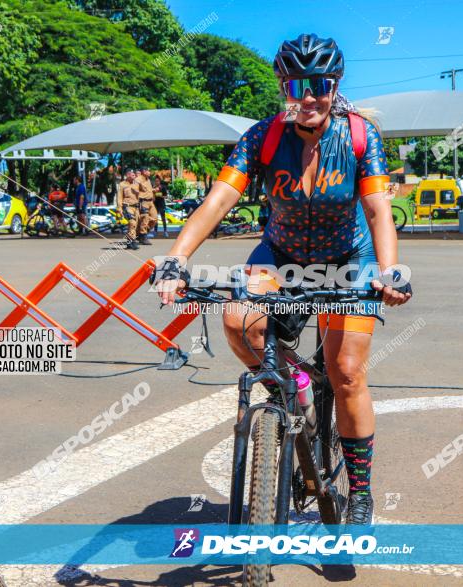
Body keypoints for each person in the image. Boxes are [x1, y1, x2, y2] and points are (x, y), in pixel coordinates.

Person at [151, 34, 412, 525]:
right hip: (281, 254)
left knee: (349, 373)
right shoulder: (263, 137)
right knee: (236, 319)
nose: (308, 96)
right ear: (283, 86)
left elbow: (378, 210)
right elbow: (218, 201)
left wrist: (389, 269)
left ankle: (359, 494)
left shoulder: (360, 136)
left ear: (335, 86)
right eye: (297, 85)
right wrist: (176, 259)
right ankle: (296, 383)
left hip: (347, 258)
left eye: (321, 84)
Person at [117, 170, 140, 249]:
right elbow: (119, 197)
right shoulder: (122, 184)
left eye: (134, 174)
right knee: (132, 222)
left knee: (133, 226)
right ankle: (133, 241)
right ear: (127, 175)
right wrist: (119, 208)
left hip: (136, 207)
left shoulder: (137, 184)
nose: (134, 175)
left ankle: (129, 241)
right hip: (127, 206)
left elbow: (143, 195)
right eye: (132, 174)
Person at [135, 169, 157, 245]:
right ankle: (143, 236)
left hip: (151, 202)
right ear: (144, 172)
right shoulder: (138, 179)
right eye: (148, 171)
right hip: (143, 201)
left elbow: (149, 190)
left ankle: (140, 233)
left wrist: (154, 190)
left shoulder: (148, 180)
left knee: (154, 219)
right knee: (145, 218)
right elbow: (134, 190)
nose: (149, 172)